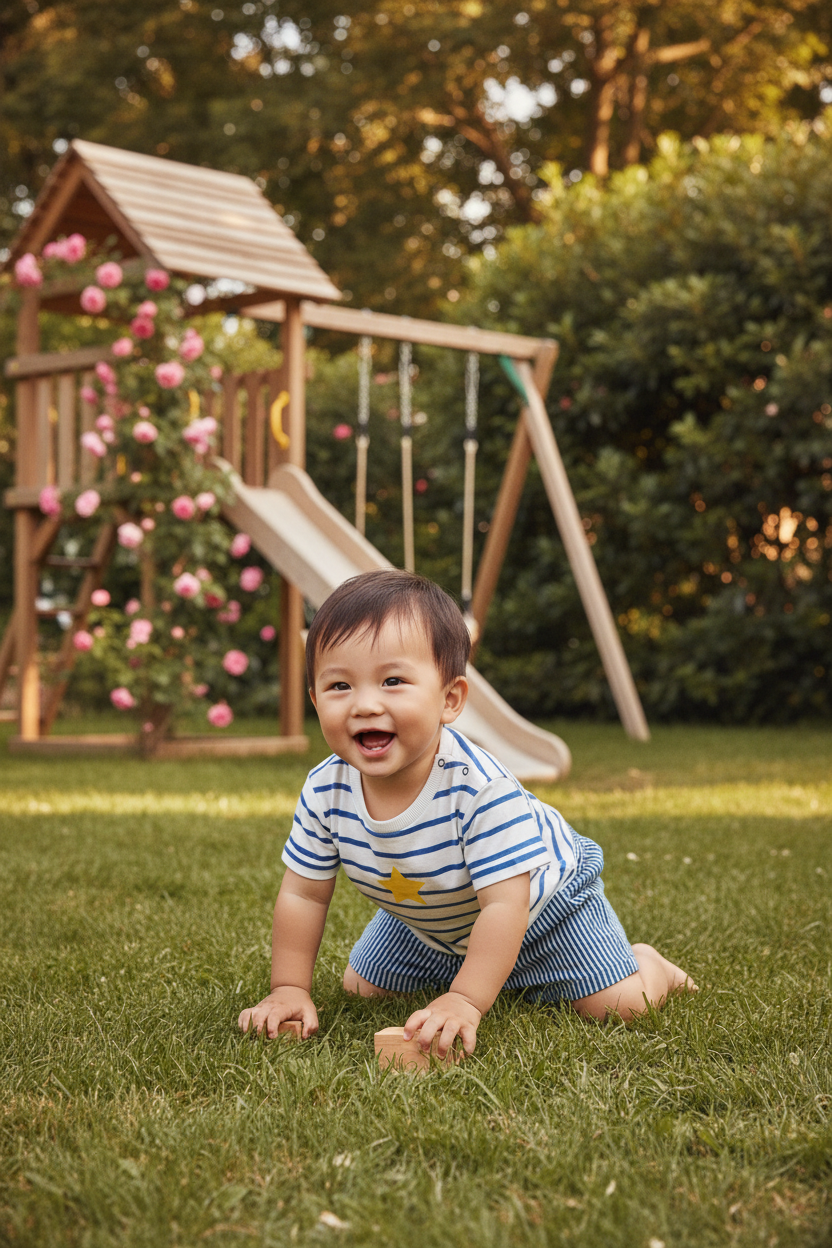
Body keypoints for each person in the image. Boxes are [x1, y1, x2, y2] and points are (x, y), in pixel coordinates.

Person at [238, 570, 695, 1057]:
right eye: (339, 686)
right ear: (314, 699)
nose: (365, 704)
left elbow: (505, 906)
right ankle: (461, 964)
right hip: (429, 918)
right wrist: (289, 986)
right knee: (362, 989)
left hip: (545, 910)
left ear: (449, 699)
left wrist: (464, 1000)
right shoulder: (325, 789)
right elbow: (304, 894)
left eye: (393, 681)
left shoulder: (479, 788)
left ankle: (649, 965)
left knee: (623, 1007)